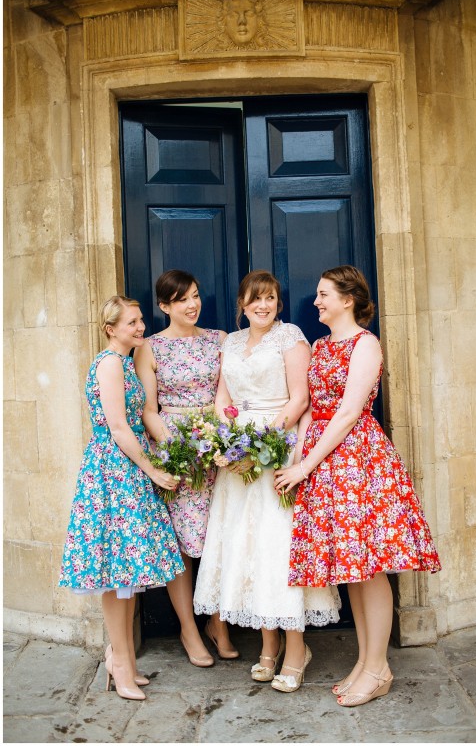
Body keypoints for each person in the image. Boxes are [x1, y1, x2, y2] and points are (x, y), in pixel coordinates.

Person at [275, 266, 442, 707]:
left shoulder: (365, 343)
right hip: (323, 461)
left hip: (357, 461)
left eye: (324, 294)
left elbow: (349, 412)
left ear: (348, 299)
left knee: (371, 567)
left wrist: (305, 466)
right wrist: (298, 459)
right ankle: (366, 663)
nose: (316, 301)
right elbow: (311, 408)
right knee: (352, 567)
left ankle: (378, 666)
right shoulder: (320, 345)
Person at [193, 270, 341, 693]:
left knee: (278, 547)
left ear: (278, 303)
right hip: (237, 459)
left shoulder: (290, 337)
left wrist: (259, 444)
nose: (264, 305)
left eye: (271, 298)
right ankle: (268, 643)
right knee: (249, 546)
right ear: (242, 303)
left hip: (277, 448)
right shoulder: (231, 342)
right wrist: (228, 443)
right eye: (256, 298)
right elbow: (223, 397)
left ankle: (296, 648)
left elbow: (300, 398)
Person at [58, 296, 183, 700]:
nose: (141, 326)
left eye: (141, 319)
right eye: (132, 322)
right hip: (113, 471)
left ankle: (121, 658)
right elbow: (117, 427)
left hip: (127, 468)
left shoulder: (125, 362)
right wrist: (153, 470)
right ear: (111, 329)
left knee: (126, 575)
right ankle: (122, 665)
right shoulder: (110, 364)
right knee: (116, 577)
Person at [135, 270, 236, 667]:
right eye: (181, 300)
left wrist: (220, 441)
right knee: (182, 542)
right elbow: (148, 409)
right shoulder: (150, 347)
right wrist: (178, 450)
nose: (192, 304)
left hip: (216, 445)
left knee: (219, 536)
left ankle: (218, 623)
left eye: (195, 295)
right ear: (164, 306)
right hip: (175, 447)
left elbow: (228, 396)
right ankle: (189, 629)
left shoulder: (219, 339)